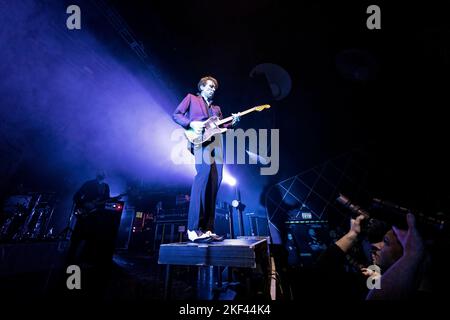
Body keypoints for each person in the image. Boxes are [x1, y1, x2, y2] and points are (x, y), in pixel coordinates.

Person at [173, 76, 239, 242]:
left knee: (215, 181)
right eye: (209, 86)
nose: (212, 89)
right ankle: (193, 228)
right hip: (200, 141)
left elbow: (221, 127)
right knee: (203, 177)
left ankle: (208, 229)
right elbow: (176, 114)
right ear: (201, 87)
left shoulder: (216, 109)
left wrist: (233, 122)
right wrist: (191, 123)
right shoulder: (192, 98)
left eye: (214, 87)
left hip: (216, 144)